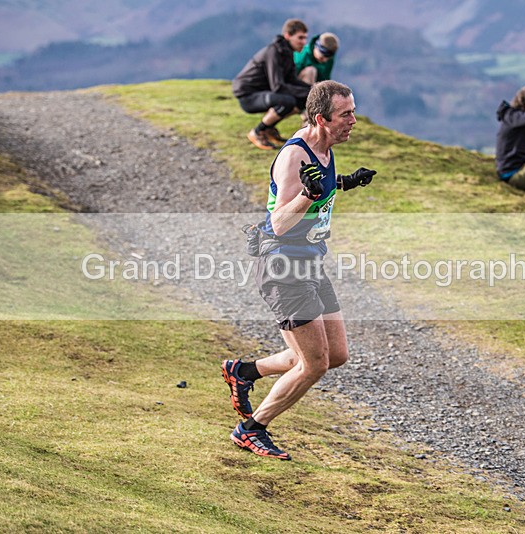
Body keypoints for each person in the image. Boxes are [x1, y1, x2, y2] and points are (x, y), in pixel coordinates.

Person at [222, 81, 377, 460]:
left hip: (310, 262)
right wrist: (309, 195)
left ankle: (245, 372)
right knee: (314, 363)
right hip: (284, 266)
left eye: (353, 111)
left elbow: (318, 184)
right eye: (346, 114)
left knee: (335, 354)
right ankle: (251, 430)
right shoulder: (295, 155)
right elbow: (278, 223)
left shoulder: (324, 147)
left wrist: (342, 183)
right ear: (322, 119)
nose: (353, 120)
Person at [232, 19, 313, 151]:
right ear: (287, 35)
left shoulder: (287, 53)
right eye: (300, 38)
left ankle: (269, 129)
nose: (304, 42)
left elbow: (292, 80)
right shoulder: (274, 52)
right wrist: (307, 92)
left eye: (305, 38)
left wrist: (314, 90)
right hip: (248, 95)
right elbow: (278, 86)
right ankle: (257, 132)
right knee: (288, 101)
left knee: (300, 99)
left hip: (263, 93)